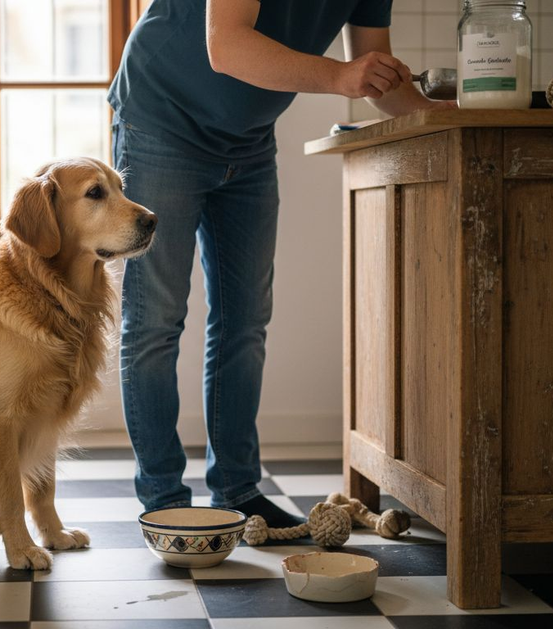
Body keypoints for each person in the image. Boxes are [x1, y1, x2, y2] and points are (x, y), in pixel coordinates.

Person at [109, 0, 450, 527]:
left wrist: (457, 115)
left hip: (245, 143)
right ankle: (164, 502)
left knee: (244, 322)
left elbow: (375, 72)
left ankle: (237, 492)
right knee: (155, 320)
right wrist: (342, 76)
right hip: (162, 121)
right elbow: (227, 46)